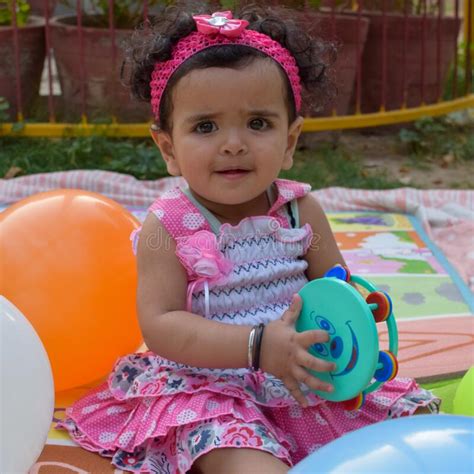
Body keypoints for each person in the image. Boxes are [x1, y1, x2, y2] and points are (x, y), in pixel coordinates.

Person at [58, 3, 440, 473]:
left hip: (302, 373)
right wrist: (258, 346)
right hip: (212, 387)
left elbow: (337, 290)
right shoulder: (169, 225)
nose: (234, 143)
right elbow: (161, 325)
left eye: (258, 123)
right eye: (205, 126)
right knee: (248, 463)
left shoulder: (302, 212)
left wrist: (358, 314)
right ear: (168, 147)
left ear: (291, 140)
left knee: (413, 428)